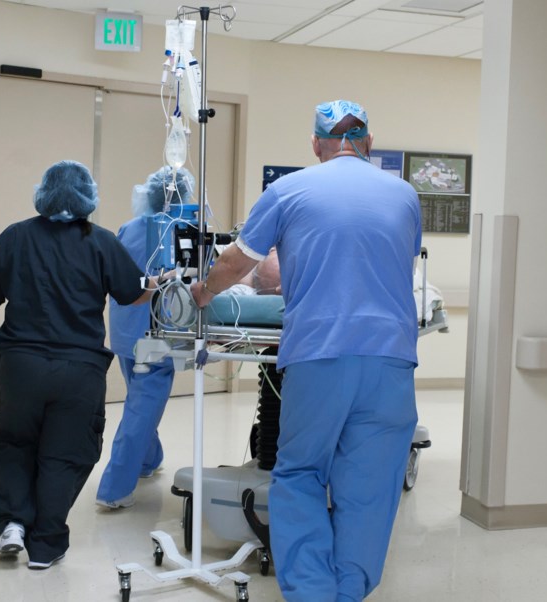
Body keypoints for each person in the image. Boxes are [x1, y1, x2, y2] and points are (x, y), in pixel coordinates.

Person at [190, 100, 422, 601]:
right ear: (369, 143)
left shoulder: (289, 189)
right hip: (391, 359)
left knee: (300, 475)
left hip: (320, 354)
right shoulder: (405, 194)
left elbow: (238, 262)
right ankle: (349, 590)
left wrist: (204, 291)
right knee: (371, 484)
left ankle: (313, 593)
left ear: (316, 145)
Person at [0, 160, 157, 570]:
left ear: (42, 193)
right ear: (87, 198)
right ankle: (45, 544)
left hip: (20, 368)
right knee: (65, 453)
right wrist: (156, 283)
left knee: (14, 443)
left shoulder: (15, 237)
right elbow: (132, 294)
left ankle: (11, 522)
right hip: (77, 371)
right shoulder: (101, 242)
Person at [95, 166, 195, 509]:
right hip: (158, 335)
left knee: (139, 400)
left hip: (125, 330)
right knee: (140, 409)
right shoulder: (186, 230)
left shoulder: (130, 227)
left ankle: (149, 460)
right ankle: (114, 489)